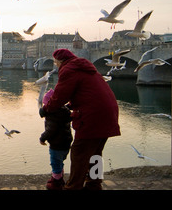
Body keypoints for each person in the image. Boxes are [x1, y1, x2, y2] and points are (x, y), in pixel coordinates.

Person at [40, 49, 120, 190]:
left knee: (79, 153)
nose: (55, 65)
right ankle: (94, 184)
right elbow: (87, 93)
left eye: (55, 62)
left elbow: (60, 95)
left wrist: (46, 109)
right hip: (108, 112)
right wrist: (71, 105)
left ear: (60, 61)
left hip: (93, 116)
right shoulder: (84, 68)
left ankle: (73, 187)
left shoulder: (69, 70)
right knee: (95, 153)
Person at [39, 88, 73, 190]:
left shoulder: (52, 115)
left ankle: (56, 182)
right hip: (66, 143)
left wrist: (42, 138)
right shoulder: (65, 111)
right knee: (60, 161)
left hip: (56, 144)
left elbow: (50, 131)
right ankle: (59, 177)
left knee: (55, 162)